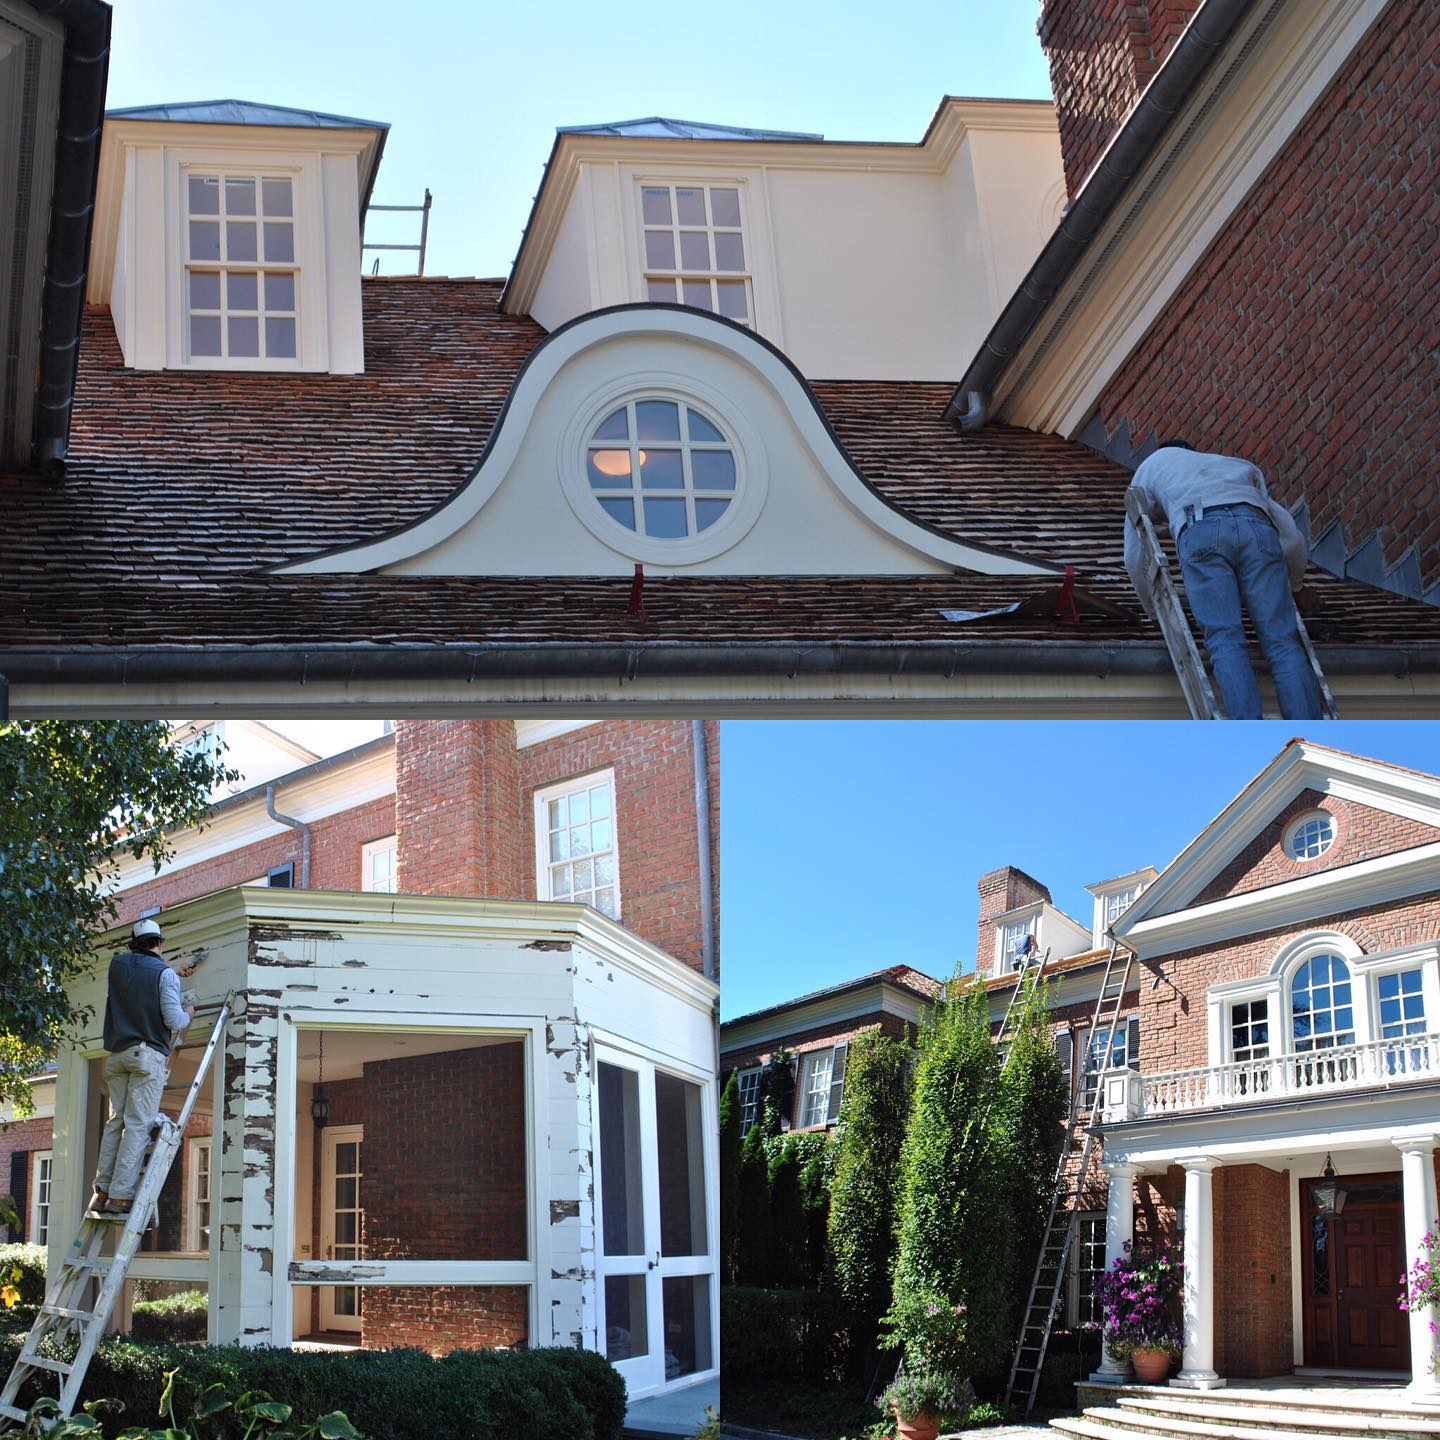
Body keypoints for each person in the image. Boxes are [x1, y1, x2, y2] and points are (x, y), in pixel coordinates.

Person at [1123, 439, 1322, 720]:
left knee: (1225, 640)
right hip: (1257, 526)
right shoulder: (1229, 464)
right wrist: (1296, 585)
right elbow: (1289, 533)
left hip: (1201, 525)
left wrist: (1153, 609)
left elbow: (1135, 550)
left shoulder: (1152, 464)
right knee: (1282, 641)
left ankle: (1247, 726)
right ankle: (1307, 726)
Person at [89, 918, 195, 1217]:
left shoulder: (117, 966)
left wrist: (169, 971)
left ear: (135, 943)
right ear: (159, 942)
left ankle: (102, 1191)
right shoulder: (164, 975)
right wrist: (188, 1013)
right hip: (146, 1055)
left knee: (116, 1122)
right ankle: (121, 1196)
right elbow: (174, 1022)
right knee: (137, 1125)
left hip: (118, 1056)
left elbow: (139, 974)